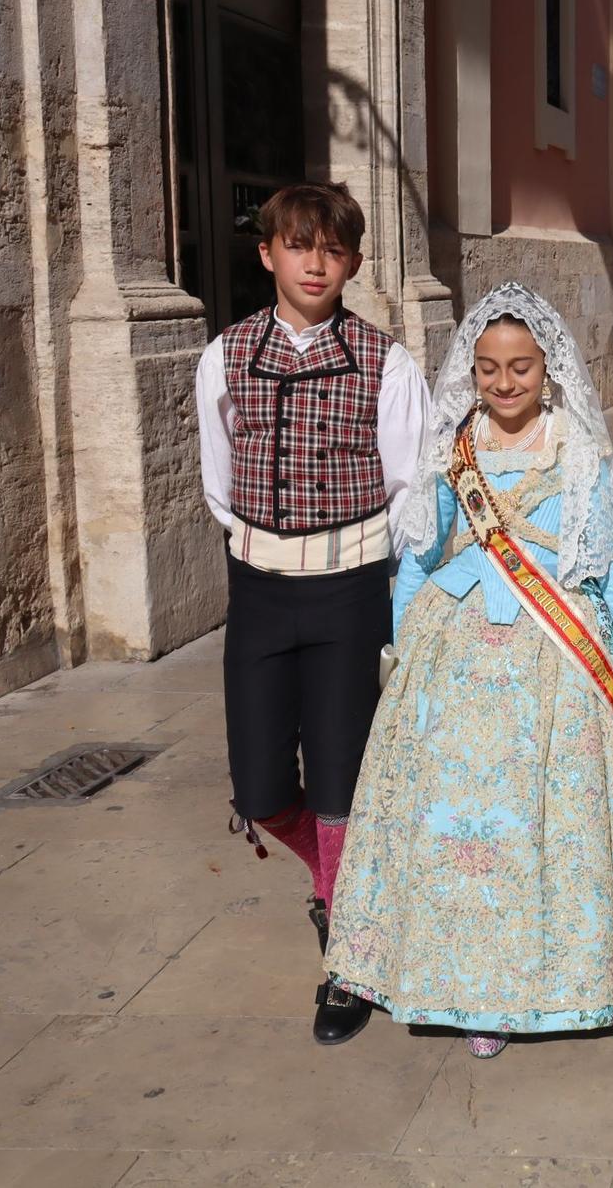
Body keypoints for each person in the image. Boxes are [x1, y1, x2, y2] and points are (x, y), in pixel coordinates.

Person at [325, 283, 613, 1060]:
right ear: (470, 372)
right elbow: (418, 559)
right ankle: (469, 980)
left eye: (522, 369)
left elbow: (607, 570)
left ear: (549, 369)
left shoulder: (578, 449)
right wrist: (402, 656)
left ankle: (559, 975)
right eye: (488, 370)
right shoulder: (452, 449)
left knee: (545, 821)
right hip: (457, 647)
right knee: (462, 823)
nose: (505, 384)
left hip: (557, 652)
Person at [195, 180, 432, 1045]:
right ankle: (341, 884)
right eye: (298, 246)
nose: (314, 263)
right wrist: (265, 547)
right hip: (259, 588)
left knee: (339, 778)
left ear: (353, 264)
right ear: (267, 254)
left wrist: (387, 590)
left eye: (332, 250)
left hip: (350, 588)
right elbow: (220, 482)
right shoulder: (222, 358)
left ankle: (349, 954)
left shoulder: (386, 361)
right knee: (260, 787)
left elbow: (411, 488)